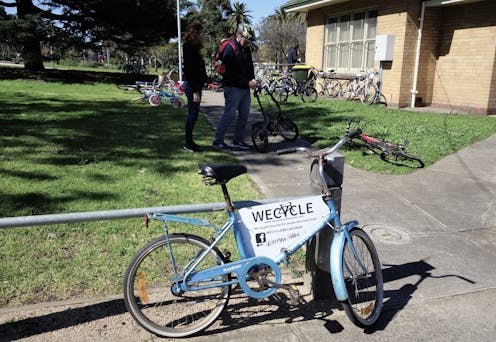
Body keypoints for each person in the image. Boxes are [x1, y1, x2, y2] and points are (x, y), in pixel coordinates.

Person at [212, 23, 257, 150]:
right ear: (239, 36)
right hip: (232, 87)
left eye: (249, 41)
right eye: (246, 40)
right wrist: (247, 82)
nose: (248, 43)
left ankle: (238, 141)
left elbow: (249, 66)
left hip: (244, 87)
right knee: (229, 114)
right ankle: (218, 141)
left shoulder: (246, 48)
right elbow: (230, 73)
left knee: (244, 115)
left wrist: (252, 79)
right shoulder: (229, 49)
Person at [182, 23, 208, 152]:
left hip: (196, 84)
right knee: (192, 114)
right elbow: (190, 71)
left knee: (194, 114)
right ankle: (187, 143)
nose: (203, 36)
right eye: (202, 33)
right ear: (196, 33)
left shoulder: (194, 48)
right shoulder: (188, 47)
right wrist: (195, 91)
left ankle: (190, 141)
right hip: (193, 86)